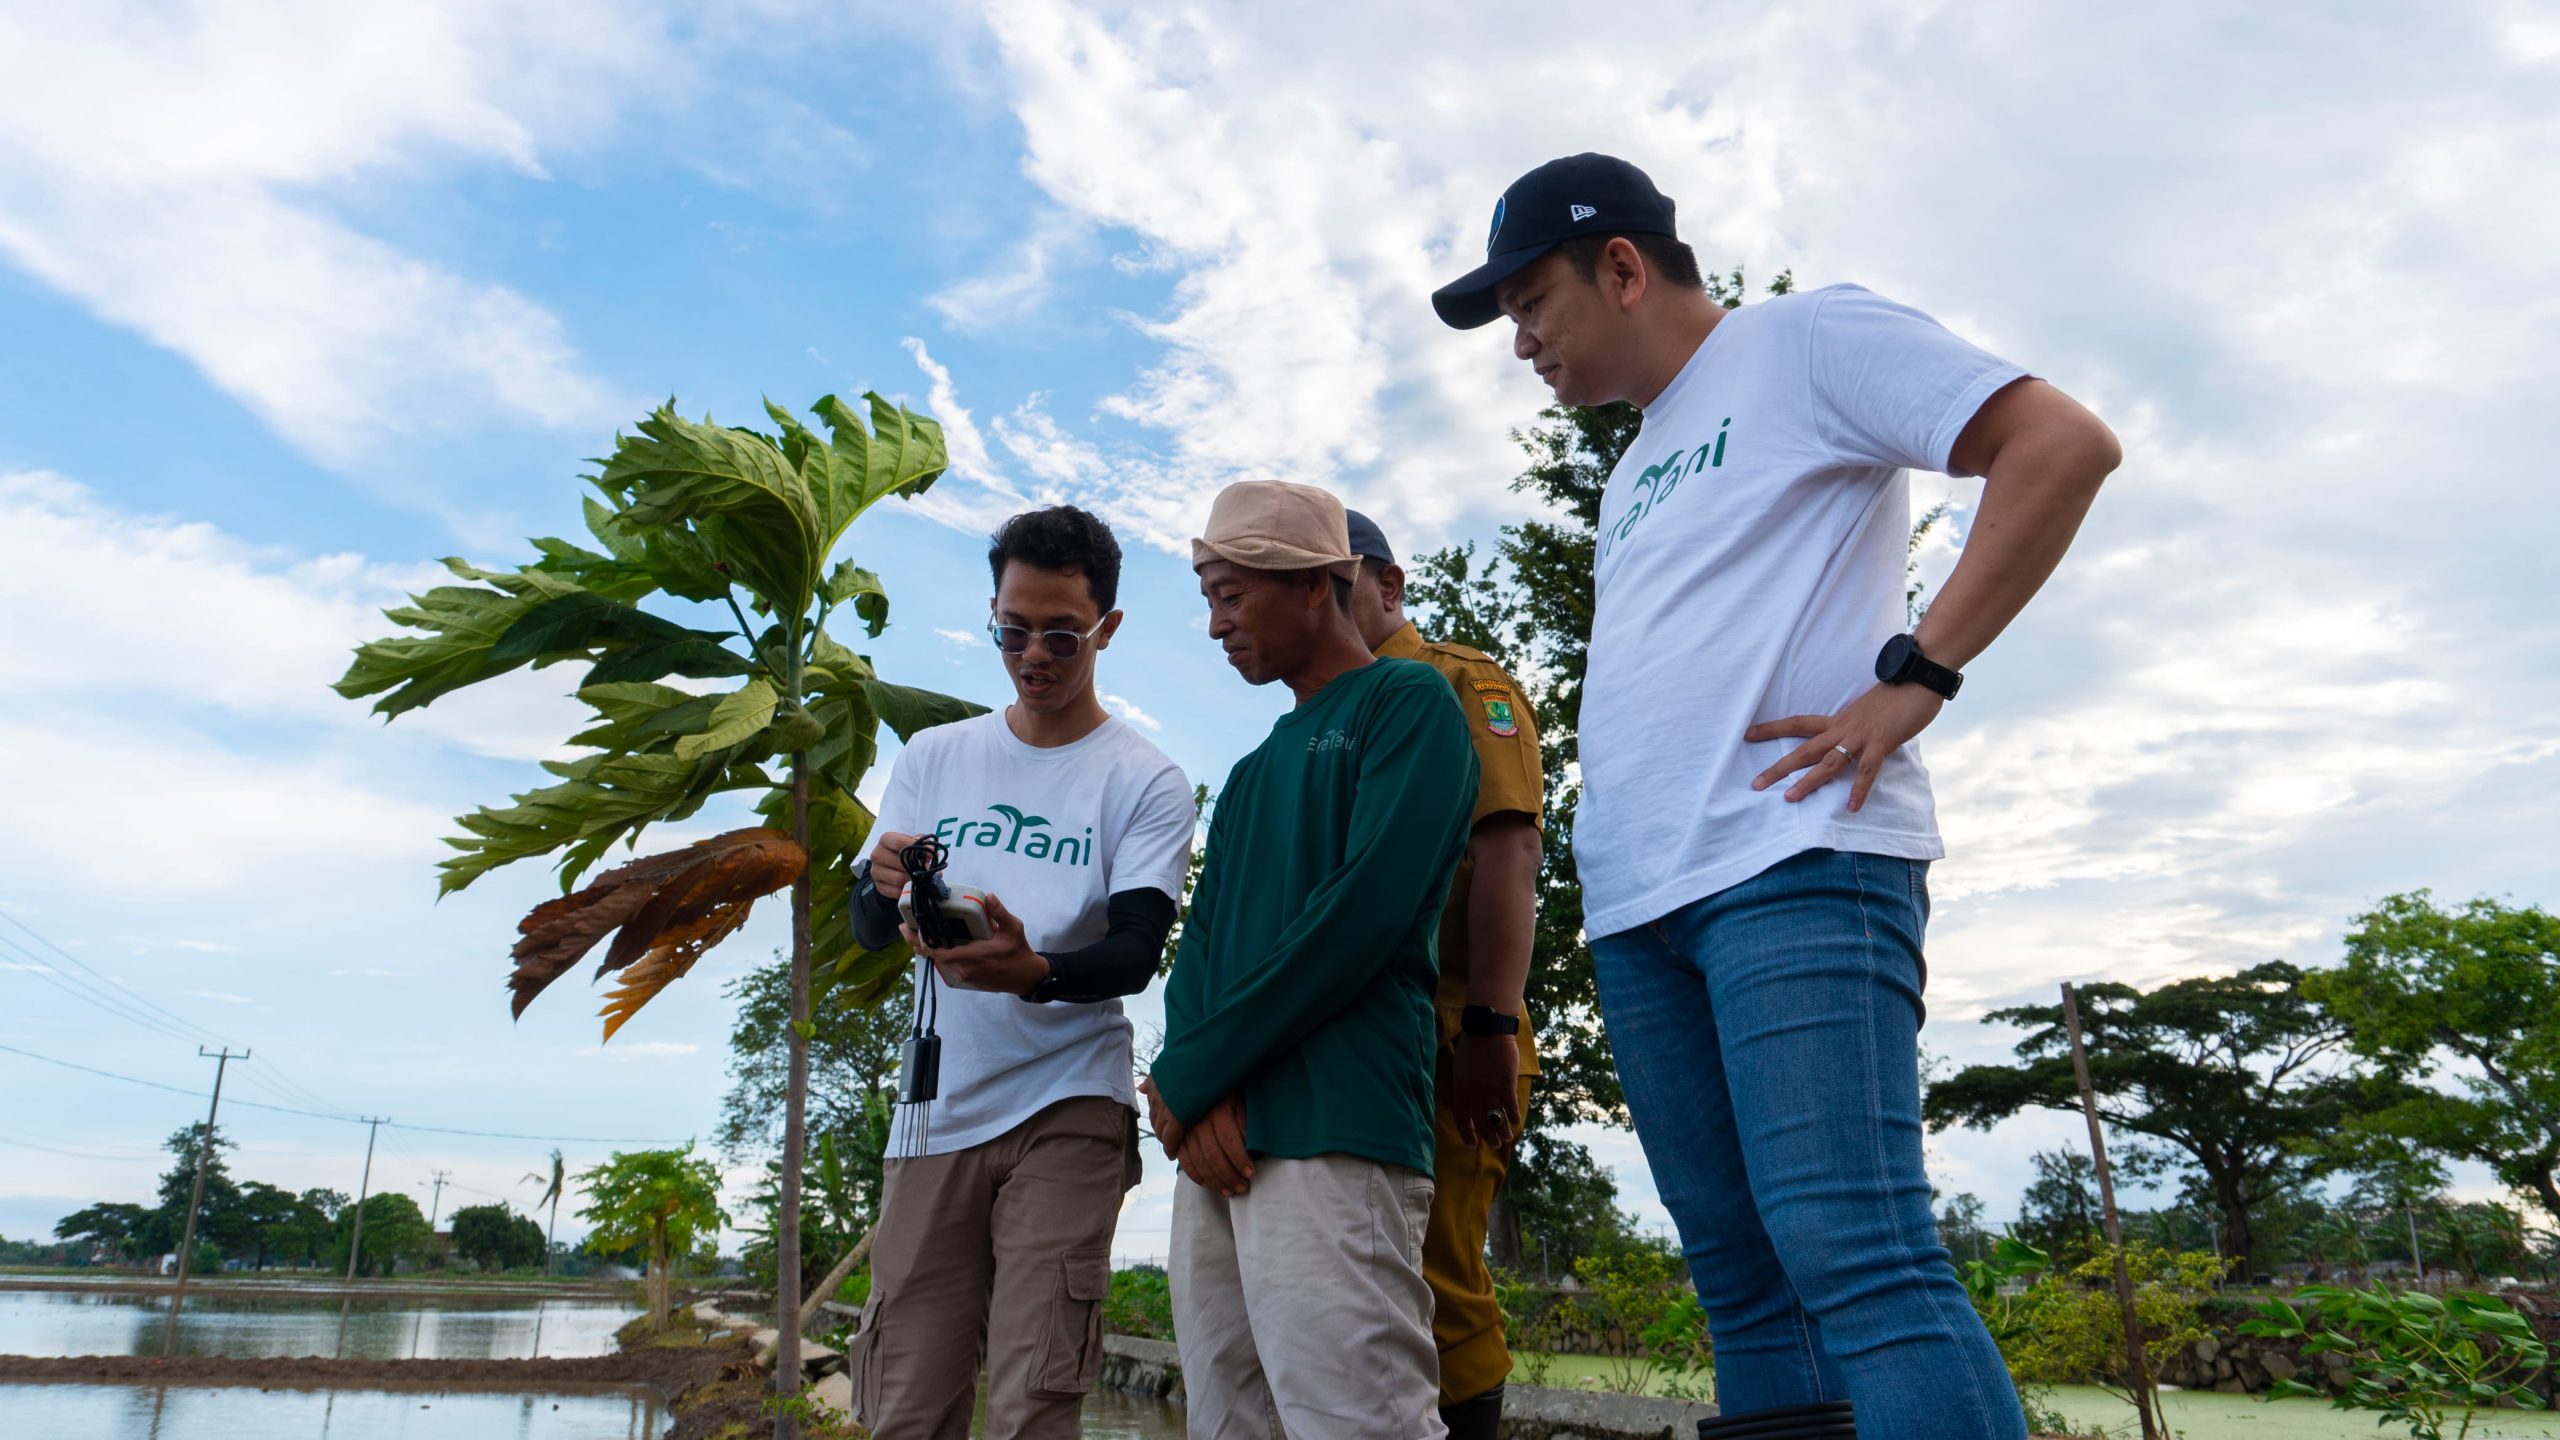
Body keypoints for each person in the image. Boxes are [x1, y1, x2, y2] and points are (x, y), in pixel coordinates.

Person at [1432, 154, 2122, 1439]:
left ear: (1622, 266)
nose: (1521, 341)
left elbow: (2059, 444)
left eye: (1531, 304)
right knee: (1744, 1288)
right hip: (1646, 908)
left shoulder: (1806, 342)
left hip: (1794, 863)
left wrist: (1918, 674)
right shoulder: (1638, 464)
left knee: (1855, 1249)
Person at [842, 505, 1197, 1440]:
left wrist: (1031, 971)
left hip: (1068, 1098)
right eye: (1011, 629)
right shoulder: (935, 756)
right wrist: (882, 887)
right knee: (905, 1401)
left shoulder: (1144, 780)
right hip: (936, 1112)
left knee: (1035, 1396)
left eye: (1060, 634)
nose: (1032, 653)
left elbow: (1134, 952)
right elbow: (871, 927)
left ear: (1106, 629)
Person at [1142, 479, 1478, 1440]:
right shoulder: (1251, 770)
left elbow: (1360, 917)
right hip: (1221, 1137)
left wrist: (1196, 1075)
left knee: (1357, 1419)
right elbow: (1199, 949)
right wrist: (1192, 1094)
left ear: (1319, 583)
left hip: (1337, 1120)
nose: (1216, 627)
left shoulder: (1406, 703)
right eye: (1210, 598)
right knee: (1226, 1417)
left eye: (1232, 595)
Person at [1342, 509, 1545, 1440]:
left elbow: (1505, 851)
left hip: (1452, 1032)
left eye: (1336, 583)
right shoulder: (1334, 717)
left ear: (1388, 584)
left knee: (1436, 1276)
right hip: (1361, 1043)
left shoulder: (1458, 683)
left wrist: (1491, 1030)